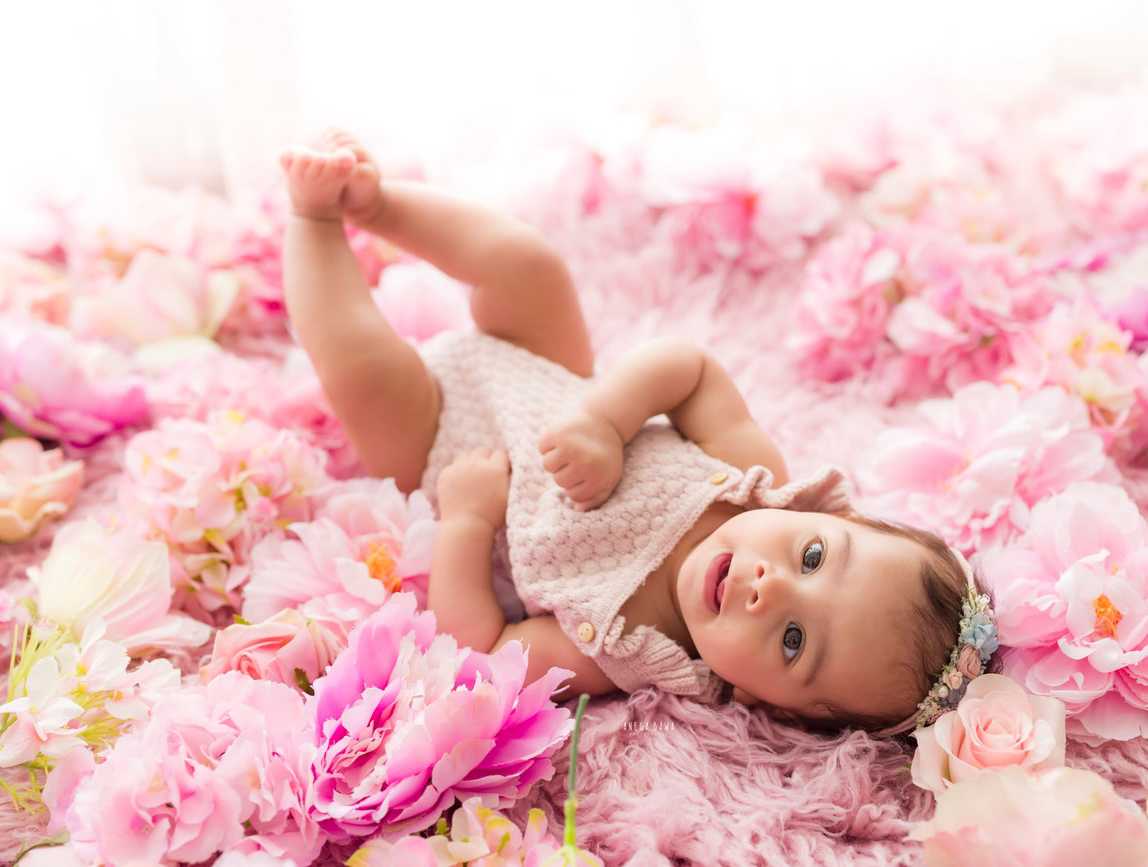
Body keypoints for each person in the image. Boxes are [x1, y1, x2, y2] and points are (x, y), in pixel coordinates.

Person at [278, 128, 994, 734]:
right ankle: (376, 202)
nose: (767, 588)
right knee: (530, 268)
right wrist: (603, 418)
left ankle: (312, 225)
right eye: (812, 556)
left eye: (793, 639)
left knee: (364, 369)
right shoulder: (750, 481)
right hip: (548, 378)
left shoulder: (621, 648)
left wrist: (467, 519)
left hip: (443, 446)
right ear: (824, 515)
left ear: (759, 700)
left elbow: (480, 648)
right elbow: (689, 370)